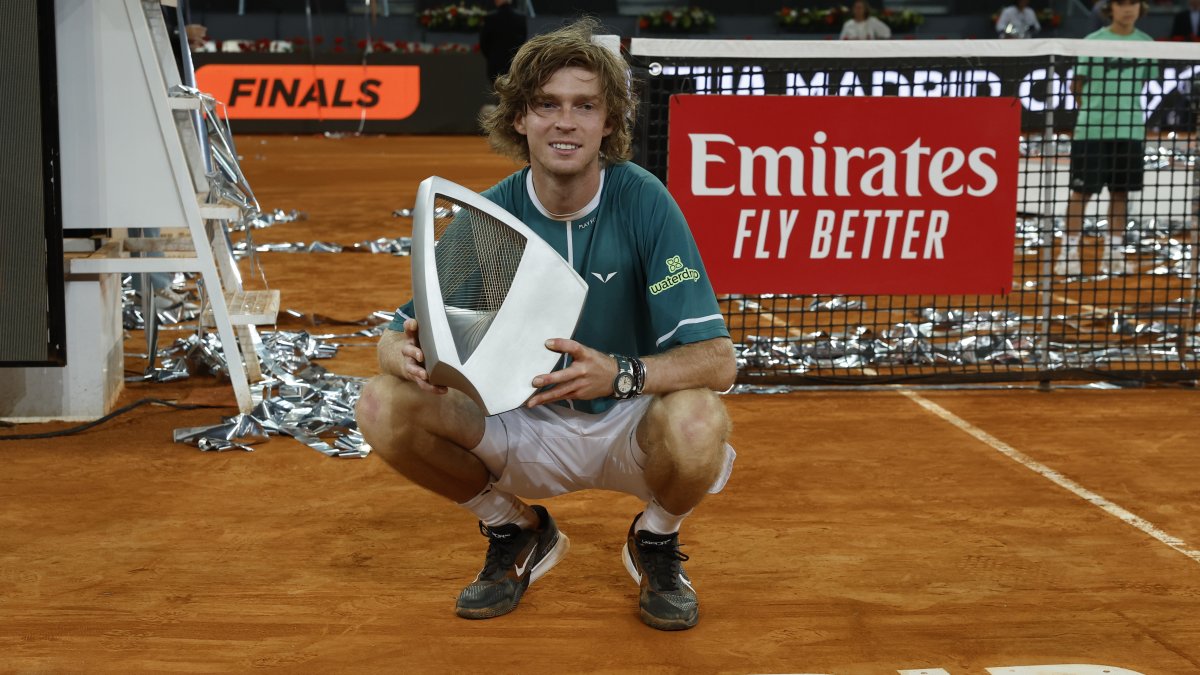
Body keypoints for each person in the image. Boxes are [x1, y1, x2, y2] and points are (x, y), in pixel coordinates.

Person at [355, 18, 737, 632]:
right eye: (547, 105)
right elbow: (397, 334)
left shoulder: (643, 200)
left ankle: (656, 542)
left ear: (609, 123)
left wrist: (621, 374)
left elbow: (719, 361)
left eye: (585, 106)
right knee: (380, 405)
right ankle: (516, 528)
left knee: (699, 419)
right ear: (518, 118)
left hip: (627, 427)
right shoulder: (493, 214)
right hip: (518, 425)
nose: (566, 122)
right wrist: (396, 355)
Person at [1055, 0, 1157, 276]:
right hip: (1092, 131)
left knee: (1121, 194)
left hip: (1130, 131)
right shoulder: (1093, 41)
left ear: (1140, 8)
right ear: (1110, 8)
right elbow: (1077, 85)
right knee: (1082, 193)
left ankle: (1113, 253)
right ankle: (1068, 253)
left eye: (1133, 3)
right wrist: (1095, 113)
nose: (1128, 9)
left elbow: (1144, 83)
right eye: (1121, 3)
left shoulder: (1147, 43)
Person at [479, 0, 527, 85]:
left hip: (495, 66)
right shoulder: (520, 18)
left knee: (497, 94)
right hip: (514, 65)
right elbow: (523, 42)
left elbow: (484, 44)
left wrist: (492, 56)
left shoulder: (490, 18)